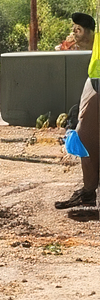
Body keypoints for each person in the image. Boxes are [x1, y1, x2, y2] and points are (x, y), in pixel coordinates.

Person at [60, 11, 99, 209]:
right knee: (85, 138)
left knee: (85, 139)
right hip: (94, 85)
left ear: (92, 32)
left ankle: (88, 193)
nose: (75, 35)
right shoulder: (94, 46)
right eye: (74, 30)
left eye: (79, 31)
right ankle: (88, 192)